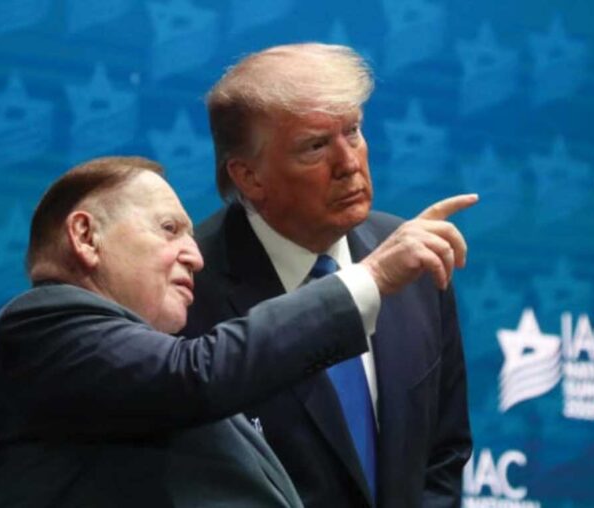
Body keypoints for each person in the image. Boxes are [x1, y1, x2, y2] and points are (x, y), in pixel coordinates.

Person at [0, 155, 475, 507]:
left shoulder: (143, 380)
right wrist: (369, 279)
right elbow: (197, 374)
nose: (195, 255)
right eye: (169, 229)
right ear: (86, 236)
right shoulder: (41, 325)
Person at [182, 43, 475, 507]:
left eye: (353, 131)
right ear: (249, 176)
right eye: (315, 146)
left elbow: (442, 455)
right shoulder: (186, 288)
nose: (349, 163)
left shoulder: (411, 259)